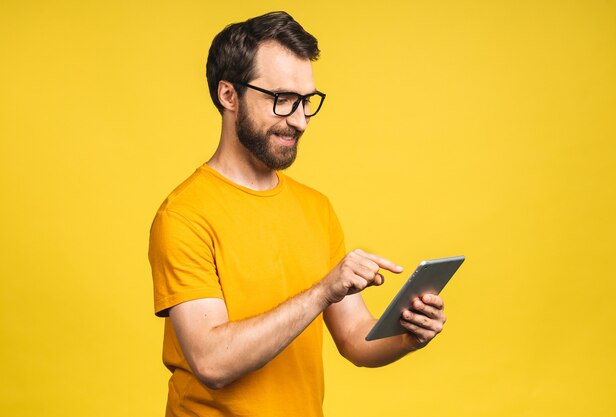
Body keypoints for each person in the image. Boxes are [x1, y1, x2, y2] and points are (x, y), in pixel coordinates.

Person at [149, 11, 447, 417]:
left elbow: (356, 338)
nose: (300, 120)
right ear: (229, 95)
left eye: (306, 101)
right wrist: (323, 291)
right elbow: (212, 362)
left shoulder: (316, 208)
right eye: (282, 100)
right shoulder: (184, 215)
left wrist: (408, 335)